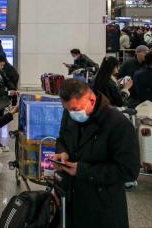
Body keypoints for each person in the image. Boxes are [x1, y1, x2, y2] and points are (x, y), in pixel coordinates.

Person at [52, 79, 140, 228]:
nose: (71, 113)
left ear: (91, 100)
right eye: (67, 109)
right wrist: (62, 152)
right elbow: (62, 138)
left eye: (74, 109)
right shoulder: (70, 113)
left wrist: (83, 171)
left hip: (101, 207)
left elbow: (128, 170)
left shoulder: (119, 125)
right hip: (71, 200)